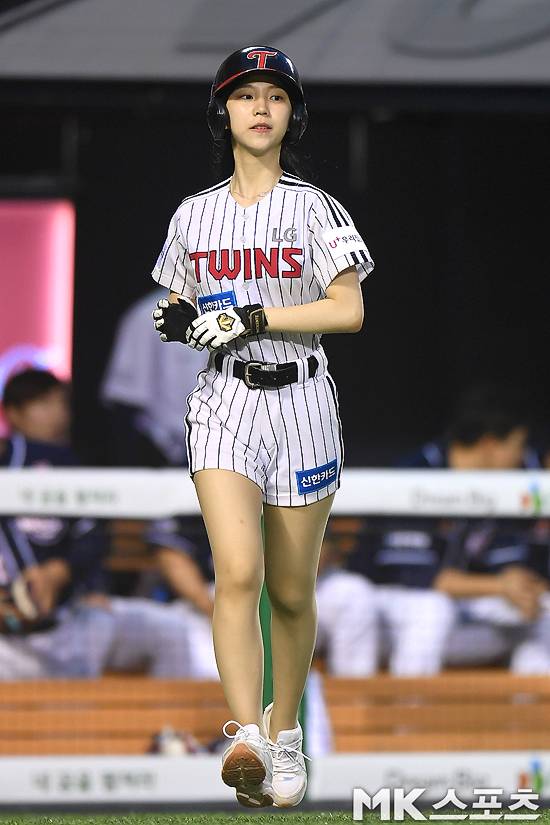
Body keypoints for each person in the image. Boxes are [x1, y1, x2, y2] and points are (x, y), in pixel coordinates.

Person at [150, 45, 373, 807]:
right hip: (226, 400)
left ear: (291, 115)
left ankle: (286, 733)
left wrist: (250, 315)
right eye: (246, 95)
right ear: (224, 111)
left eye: (276, 96)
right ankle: (245, 734)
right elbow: (176, 301)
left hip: (303, 400)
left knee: (291, 589)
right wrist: (181, 319)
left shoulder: (315, 207)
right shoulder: (194, 213)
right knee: (237, 570)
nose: (260, 108)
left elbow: (348, 308)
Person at [101, 287, 207, 467]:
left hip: (225, 443)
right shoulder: (147, 314)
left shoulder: (235, 308)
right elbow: (124, 399)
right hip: (160, 451)